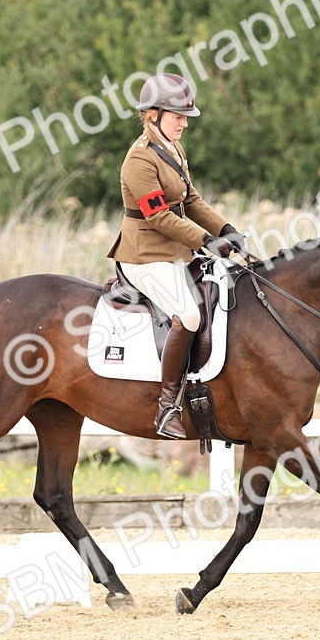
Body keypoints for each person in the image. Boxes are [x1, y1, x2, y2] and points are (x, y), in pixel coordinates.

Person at [106, 73, 245, 439]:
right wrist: (205, 241)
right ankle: (168, 406)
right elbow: (158, 215)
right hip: (144, 258)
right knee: (189, 315)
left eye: (185, 116)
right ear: (153, 114)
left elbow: (192, 199)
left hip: (175, 253)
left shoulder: (174, 148)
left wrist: (225, 229)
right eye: (177, 115)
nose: (184, 122)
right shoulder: (139, 160)